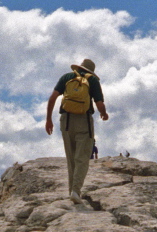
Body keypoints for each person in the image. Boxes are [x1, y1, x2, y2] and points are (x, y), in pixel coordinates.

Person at [45, 58, 109, 203]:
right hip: (83, 121)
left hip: (66, 120)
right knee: (82, 158)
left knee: (71, 158)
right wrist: (104, 114)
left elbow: (52, 99)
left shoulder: (67, 77)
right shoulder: (92, 80)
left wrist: (48, 119)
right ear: (90, 70)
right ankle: (76, 191)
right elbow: (99, 103)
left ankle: (71, 191)